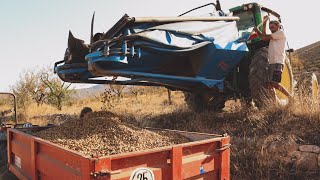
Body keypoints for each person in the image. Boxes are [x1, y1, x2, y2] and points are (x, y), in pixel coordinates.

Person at [253, 16, 293, 102]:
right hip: (272, 63)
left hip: (278, 62)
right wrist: (264, 23)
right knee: (269, 85)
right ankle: (275, 103)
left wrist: (257, 31)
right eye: (269, 28)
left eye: (272, 27)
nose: (271, 29)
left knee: (274, 84)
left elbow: (263, 37)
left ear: (278, 25)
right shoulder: (273, 36)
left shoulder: (280, 33)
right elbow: (264, 35)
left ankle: (291, 98)